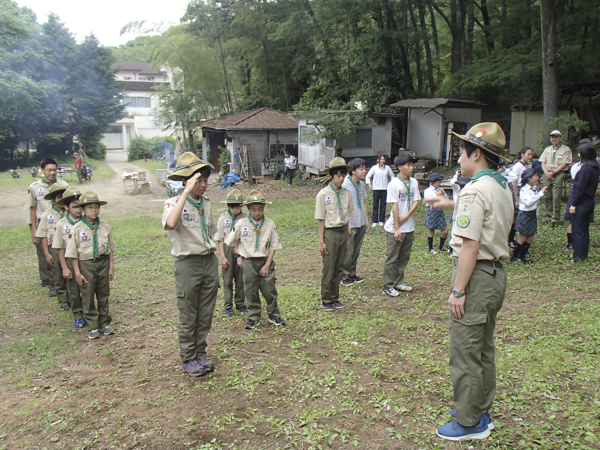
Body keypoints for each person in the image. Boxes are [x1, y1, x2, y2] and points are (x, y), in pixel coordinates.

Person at [425, 122, 513, 441]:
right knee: (483, 347)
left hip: (475, 278)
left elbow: (471, 246)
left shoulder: (475, 190)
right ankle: (479, 408)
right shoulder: (502, 186)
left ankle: (468, 421)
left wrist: (458, 290)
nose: (458, 158)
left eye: (461, 152)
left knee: (463, 351)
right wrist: (452, 204)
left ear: (476, 153)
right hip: (495, 276)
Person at [163, 152, 219, 377]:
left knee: (205, 312)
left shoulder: (206, 203)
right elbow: (171, 223)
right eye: (199, 180)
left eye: (205, 180)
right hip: (188, 264)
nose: (204, 185)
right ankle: (188, 357)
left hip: (208, 261)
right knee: (189, 313)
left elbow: (212, 232)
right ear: (186, 181)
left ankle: (200, 352)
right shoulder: (173, 203)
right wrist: (185, 193)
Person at [225, 190, 284, 329]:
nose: (257, 213)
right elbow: (232, 241)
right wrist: (239, 256)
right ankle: (254, 317)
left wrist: (267, 265)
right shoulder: (241, 224)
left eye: (260, 209)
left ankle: (274, 315)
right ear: (248, 209)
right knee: (250, 290)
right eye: (254, 210)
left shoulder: (269, 224)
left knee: (269, 289)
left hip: (265, 260)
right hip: (248, 261)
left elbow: (273, 246)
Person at [66, 191, 116, 340]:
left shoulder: (105, 226)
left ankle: (104, 322)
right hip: (86, 264)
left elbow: (111, 249)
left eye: (96, 207)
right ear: (83, 210)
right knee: (88, 294)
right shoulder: (77, 228)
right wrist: (77, 273)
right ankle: (92, 324)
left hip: (102, 262)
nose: (94, 211)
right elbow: (73, 253)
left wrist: (111, 267)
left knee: (103, 293)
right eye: (90, 208)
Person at [315, 157, 355, 311]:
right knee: (329, 267)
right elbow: (321, 219)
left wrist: (348, 234)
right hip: (330, 233)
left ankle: (335, 297)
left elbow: (348, 216)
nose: (341, 178)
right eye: (338, 175)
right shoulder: (323, 194)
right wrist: (321, 241)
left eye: (343, 175)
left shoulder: (347, 193)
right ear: (331, 175)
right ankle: (326, 299)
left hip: (343, 231)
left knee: (339, 266)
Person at [26, 158, 69, 289]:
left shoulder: (63, 185)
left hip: (61, 223)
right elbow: (32, 208)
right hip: (44, 224)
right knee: (45, 252)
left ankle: (63, 277)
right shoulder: (34, 187)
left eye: (54, 170)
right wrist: (33, 229)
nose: (52, 173)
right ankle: (48, 280)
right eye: (49, 170)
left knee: (63, 251)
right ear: (42, 171)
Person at [382, 154, 421, 297]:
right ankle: (387, 285)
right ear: (399, 167)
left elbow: (416, 200)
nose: (411, 168)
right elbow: (395, 206)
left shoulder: (414, 182)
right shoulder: (394, 184)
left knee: (404, 257)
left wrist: (407, 216)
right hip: (395, 227)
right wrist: (397, 228)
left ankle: (398, 282)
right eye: (408, 165)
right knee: (392, 257)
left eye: (412, 165)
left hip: (409, 226)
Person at [53, 187, 85, 328]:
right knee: (73, 289)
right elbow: (60, 247)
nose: (78, 209)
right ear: (66, 207)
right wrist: (64, 267)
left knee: (87, 288)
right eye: (74, 206)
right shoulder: (61, 224)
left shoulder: (87, 221)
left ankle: (89, 311)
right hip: (70, 261)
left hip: (85, 260)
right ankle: (78, 314)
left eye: (80, 206)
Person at [214, 189, 248, 316]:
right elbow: (220, 239)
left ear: (241, 206)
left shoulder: (245, 218)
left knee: (240, 279)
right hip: (228, 250)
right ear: (228, 206)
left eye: (238, 206)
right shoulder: (223, 218)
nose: (235, 209)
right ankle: (228, 305)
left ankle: (240, 303)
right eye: (232, 206)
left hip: (241, 249)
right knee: (227, 279)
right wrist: (223, 257)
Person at [35, 184, 68, 305]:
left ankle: (73, 295)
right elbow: (43, 235)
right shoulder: (46, 215)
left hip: (68, 246)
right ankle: (63, 299)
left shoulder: (70, 213)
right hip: (54, 247)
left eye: (63, 197)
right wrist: (46, 253)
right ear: (53, 199)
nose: (61, 199)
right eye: (59, 197)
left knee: (69, 272)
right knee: (57, 273)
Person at [567, 143, 600, 262]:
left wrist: (574, 204)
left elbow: (580, 188)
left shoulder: (585, 169)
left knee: (578, 231)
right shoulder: (595, 168)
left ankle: (578, 257)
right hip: (589, 201)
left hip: (581, 203)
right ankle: (583, 254)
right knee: (585, 230)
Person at [340, 158, 370, 286]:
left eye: (365, 168)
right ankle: (344, 275)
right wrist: (346, 225)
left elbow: (363, 202)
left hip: (361, 221)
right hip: (351, 223)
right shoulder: (345, 185)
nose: (364, 171)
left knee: (356, 251)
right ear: (353, 171)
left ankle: (352, 273)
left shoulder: (361, 185)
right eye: (361, 169)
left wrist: (367, 221)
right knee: (348, 251)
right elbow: (343, 207)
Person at [511, 168, 548, 263]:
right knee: (522, 236)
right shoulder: (524, 190)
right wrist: (540, 194)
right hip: (525, 214)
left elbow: (536, 203)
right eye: (536, 176)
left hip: (532, 214)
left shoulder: (534, 188)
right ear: (529, 178)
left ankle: (523, 256)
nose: (537, 177)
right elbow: (528, 202)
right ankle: (515, 257)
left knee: (530, 237)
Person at [539, 130, 572, 227]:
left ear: (560, 138)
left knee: (556, 196)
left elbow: (565, 163)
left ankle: (555, 218)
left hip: (558, 173)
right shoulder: (547, 149)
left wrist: (553, 172)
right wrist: (547, 173)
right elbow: (543, 162)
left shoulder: (566, 149)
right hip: (547, 172)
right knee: (546, 195)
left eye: (556, 137)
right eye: (552, 137)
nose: (554, 139)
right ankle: (549, 216)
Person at [505, 147, 534, 246]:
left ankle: (516, 239)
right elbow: (514, 182)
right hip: (517, 191)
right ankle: (510, 239)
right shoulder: (518, 166)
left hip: (524, 191)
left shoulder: (528, 165)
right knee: (514, 216)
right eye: (528, 154)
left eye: (531, 154)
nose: (530, 156)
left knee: (518, 216)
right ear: (522, 154)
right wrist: (516, 197)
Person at [423, 173, 449, 254]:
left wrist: (443, 194)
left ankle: (441, 247)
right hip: (432, 211)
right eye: (438, 182)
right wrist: (437, 195)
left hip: (439, 210)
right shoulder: (427, 191)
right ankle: (431, 249)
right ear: (432, 182)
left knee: (445, 230)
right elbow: (427, 202)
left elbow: (446, 199)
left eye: (439, 182)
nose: (439, 184)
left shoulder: (441, 189)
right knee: (431, 230)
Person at [365, 155, 394, 227]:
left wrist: (391, 184)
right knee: (375, 205)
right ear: (378, 160)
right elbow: (367, 177)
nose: (383, 161)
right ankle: (375, 221)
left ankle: (381, 220)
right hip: (376, 189)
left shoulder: (387, 168)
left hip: (384, 189)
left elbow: (392, 176)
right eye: (381, 159)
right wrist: (370, 185)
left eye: (384, 160)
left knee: (383, 205)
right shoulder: (374, 168)